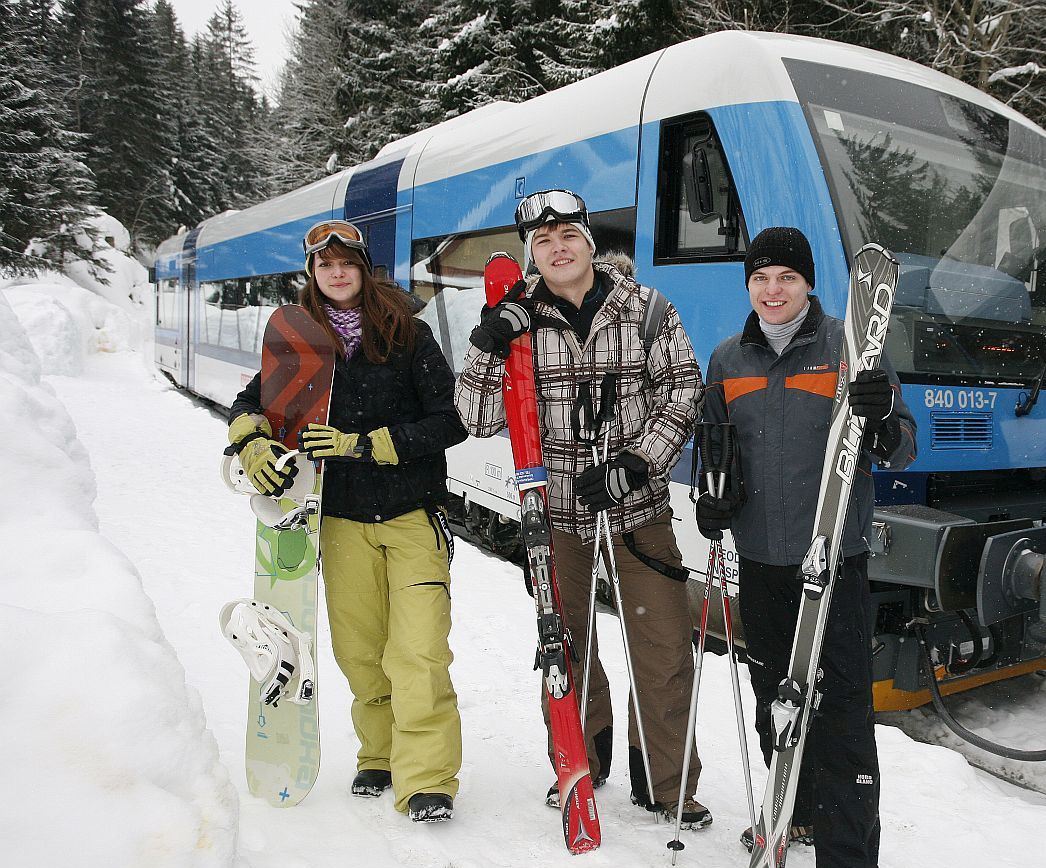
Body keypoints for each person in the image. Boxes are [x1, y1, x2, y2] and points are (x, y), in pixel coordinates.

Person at [455, 189, 711, 828]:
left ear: (590, 243)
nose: (557, 247)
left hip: (637, 508)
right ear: (531, 254)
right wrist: (488, 340)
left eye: (568, 234)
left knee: (663, 644)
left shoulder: (646, 309)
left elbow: (682, 388)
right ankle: (580, 762)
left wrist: (637, 461)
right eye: (542, 241)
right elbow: (477, 416)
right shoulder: (516, 321)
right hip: (554, 518)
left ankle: (666, 780)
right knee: (564, 643)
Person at [696, 227, 916, 868]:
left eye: (786, 277)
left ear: (809, 284)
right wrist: (710, 496)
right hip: (760, 559)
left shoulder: (852, 349)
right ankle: (797, 811)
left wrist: (880, 415)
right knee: (777, 698)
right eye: (761, 279)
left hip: (836, 560)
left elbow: (903, 444)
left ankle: (851, 867)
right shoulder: (729, 357)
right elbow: (713, 443)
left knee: (844, 705)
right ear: (749, 287)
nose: (773, 290)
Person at [227, 220, 467, 822]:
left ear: (363, 268)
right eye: (324, 264)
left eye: (347, 262)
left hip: (412, 516)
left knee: (418, 651)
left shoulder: (408, 334)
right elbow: (249, 406)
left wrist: (367, 444)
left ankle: (427, 779)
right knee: (360, 651)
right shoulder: (297, 342)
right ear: (312, 273)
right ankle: (380, 754)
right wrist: (252, 446)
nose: (336, 273)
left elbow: (450, 421)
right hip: (337, 522)